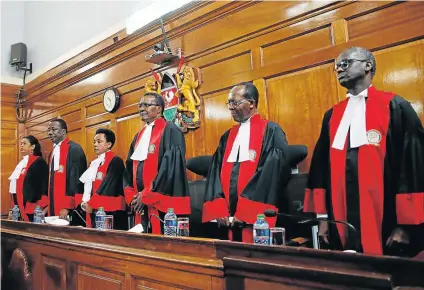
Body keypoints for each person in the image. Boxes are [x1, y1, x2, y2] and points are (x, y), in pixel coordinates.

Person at [304, 47, 424, 256]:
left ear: (368, 65)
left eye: (345, 63)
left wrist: (406, 226)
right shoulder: (333, 115)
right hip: (340, 218)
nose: (339, 70)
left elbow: (412, 166)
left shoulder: (395, 106)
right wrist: (323, 219)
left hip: (386, 221)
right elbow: (320, 171)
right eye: (336, 67)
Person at [202, 82, 292, 243]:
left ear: (251, 103)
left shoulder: (271, 131)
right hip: (228, 220)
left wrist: (246, 211)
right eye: (229, 103)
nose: (230, 107)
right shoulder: (227, 137)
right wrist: (219, 208)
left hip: (258, 220)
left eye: (235, 102)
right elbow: (215, 173)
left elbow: (270, 175)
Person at [124, 92, 191, 234]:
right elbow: (128, 169)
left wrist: (147, 195)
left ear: (159, 109)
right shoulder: (138, 136)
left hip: (162, 206)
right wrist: (132, 196)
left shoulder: (171, 130)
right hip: (140, 206)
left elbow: (170, 169)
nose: (142, 109)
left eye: (147, 105)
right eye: (140, 105)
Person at [77, 128, 127, 230]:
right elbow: (88, 186)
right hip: (94, 209)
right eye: (94, 142)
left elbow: (108, 186)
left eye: (99, 142)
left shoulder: (116, 161)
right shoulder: (94, 163)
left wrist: (91, 204)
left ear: (109, 144)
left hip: (111, 212)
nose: (95, 144)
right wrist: (84, 202)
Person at [47, 119, 87, 220]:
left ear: (63, 131)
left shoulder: (74, 149)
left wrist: (67, 206)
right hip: (53, 204)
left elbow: (76, 180)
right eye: (49, 130)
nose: (50, 133)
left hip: (68, 207)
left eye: (54, 129)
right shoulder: (52, 153)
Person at [9, 135, 49, 222]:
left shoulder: (39, 162)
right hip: (20, 206)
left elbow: (43, 186)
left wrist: (41, 206)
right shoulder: (22, 163)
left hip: (33, 207)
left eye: (24, 143)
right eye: (21, 143)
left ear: (33, 146)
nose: (21, 145)